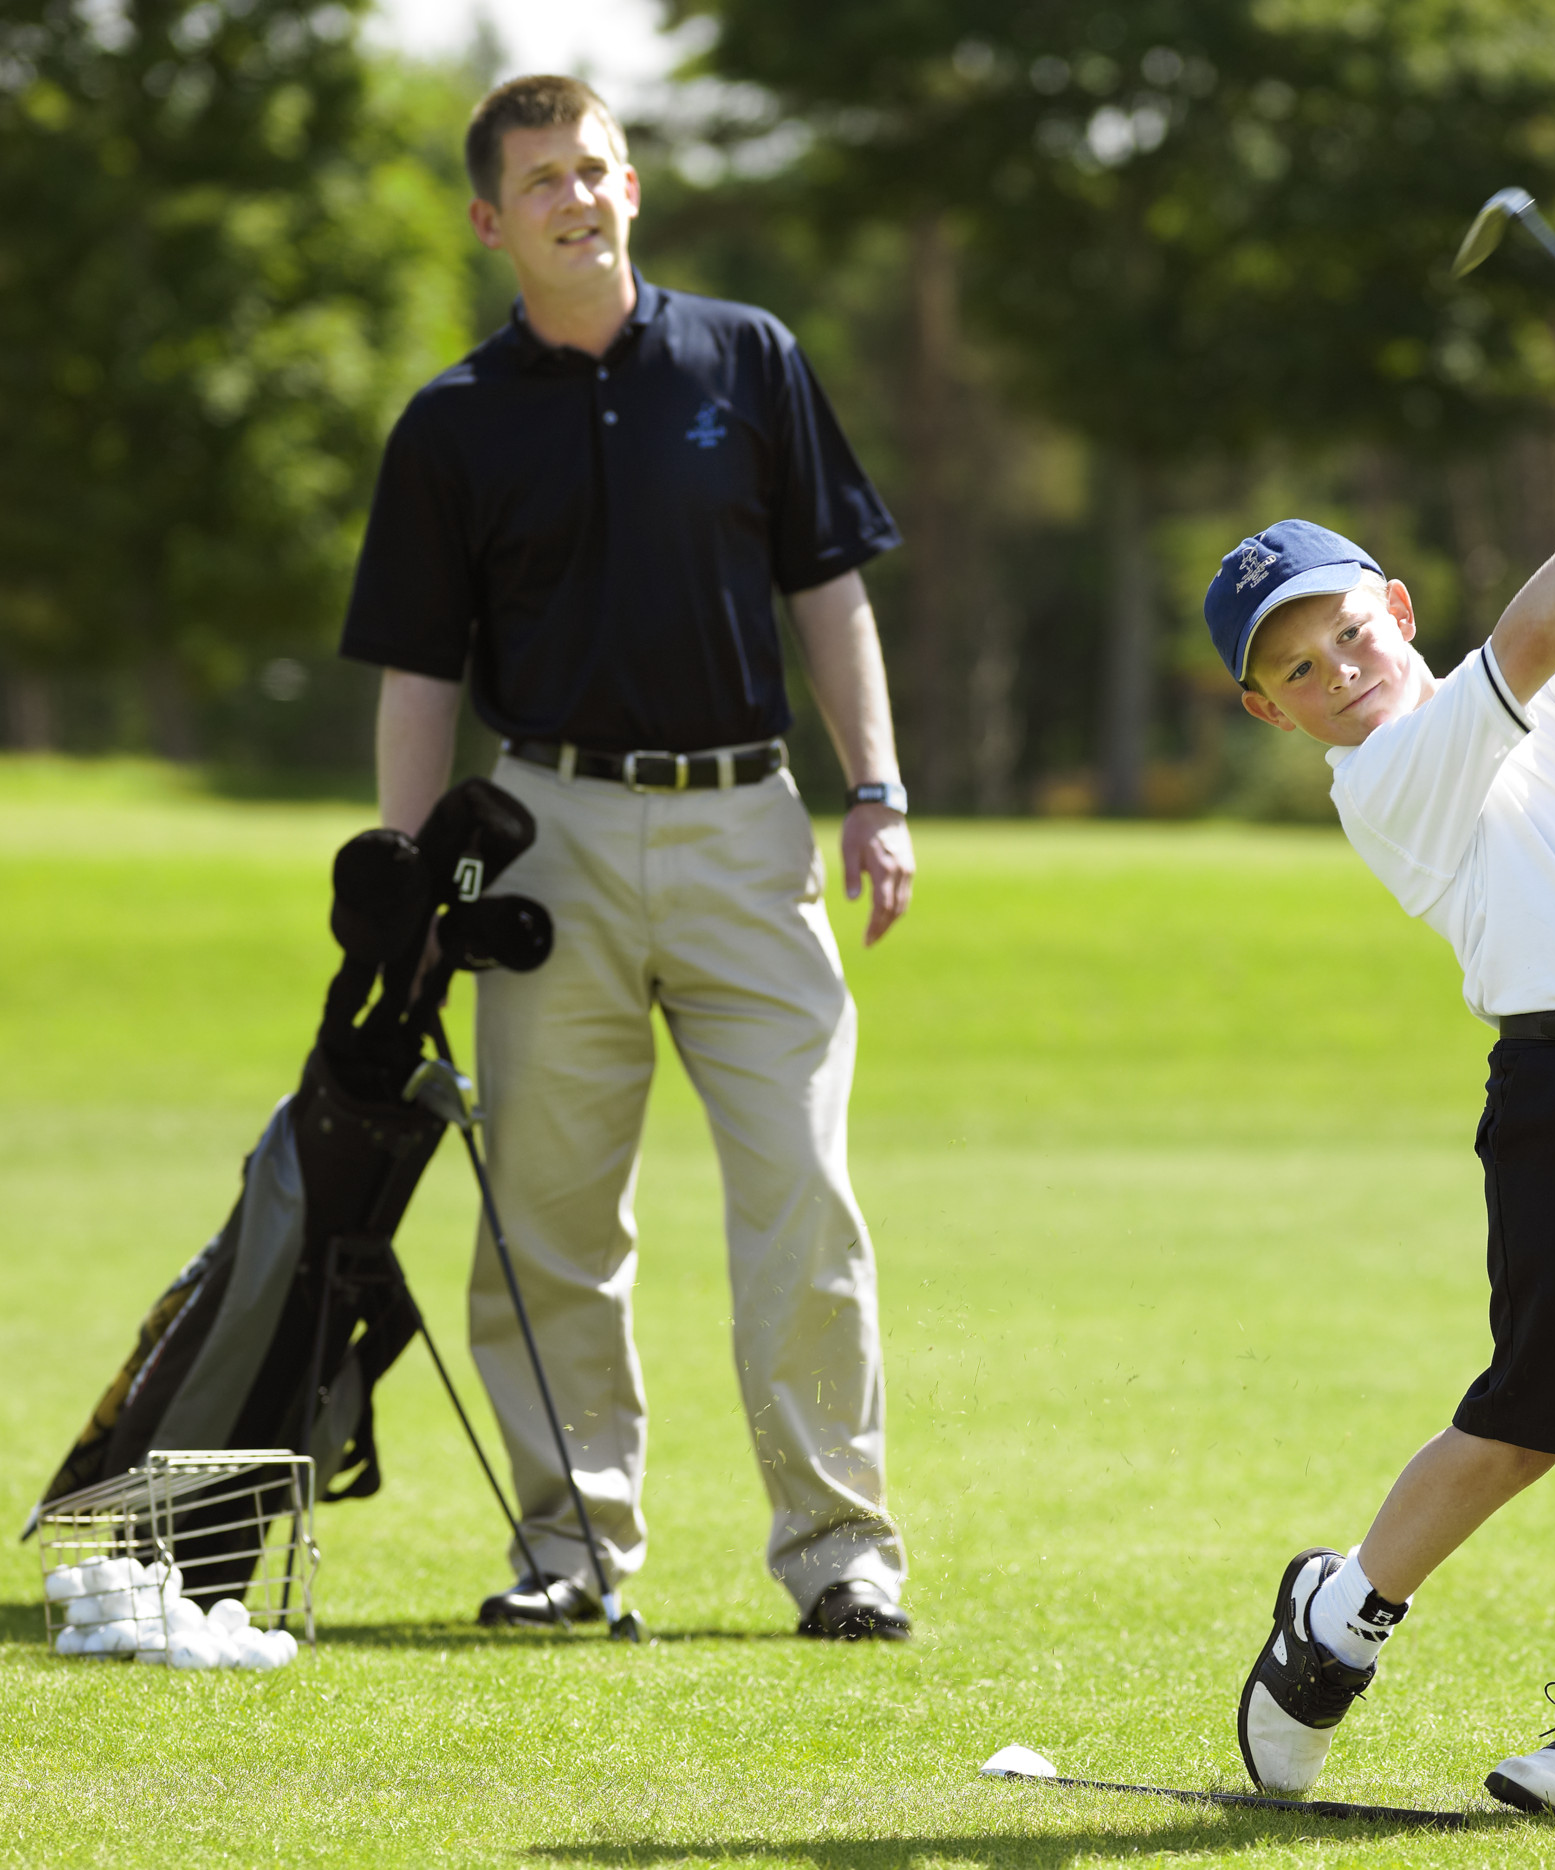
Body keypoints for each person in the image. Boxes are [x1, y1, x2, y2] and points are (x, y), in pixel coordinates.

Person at [339, 75, 917, 1640]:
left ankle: (840, 1547)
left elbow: (829, 590)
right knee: (548, 1215)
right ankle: (572, 1548)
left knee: (803, 1189)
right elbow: (418, 667)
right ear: (489, 219)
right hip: (546, 838)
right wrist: (401, 864)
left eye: (595, 169)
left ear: (633, 186)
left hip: (748, 825)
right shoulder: (452, 423)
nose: (575, 198)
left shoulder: (751, 358)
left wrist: (876, 787)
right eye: (542, 182)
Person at [1210, 386, 1555, 1811]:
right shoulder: (1390, 773)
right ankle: (1337, 1623)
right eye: (1298, 667)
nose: (1338, 667)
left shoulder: (1551, 703)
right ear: (1269, 709)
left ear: (1394, 607)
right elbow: (1526, 642)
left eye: (1347, 629)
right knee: (1526, 1419)